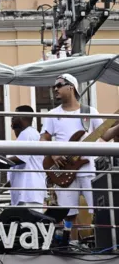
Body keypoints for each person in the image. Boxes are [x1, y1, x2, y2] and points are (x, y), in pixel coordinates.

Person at [40, 73, 103, 243]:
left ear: (71, 87)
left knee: (98, 209)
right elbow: (43, 138)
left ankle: (101, 243)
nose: (55, 89)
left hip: (88, 169)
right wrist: (54, 153)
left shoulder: (90, 112)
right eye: (55, 86)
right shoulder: (53, 114)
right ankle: (72, 244)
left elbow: (103, 136)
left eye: (59, 85)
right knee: (69, 212)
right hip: (64, 170)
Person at [6, 105, 46, 213]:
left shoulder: (27, 133)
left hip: (29, 193)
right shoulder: (27, 134)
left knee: (29, 227)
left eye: (15, 115)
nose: (12, 118)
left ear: (23, 117)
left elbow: (20, 159)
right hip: (26, 193)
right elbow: (20, 168)